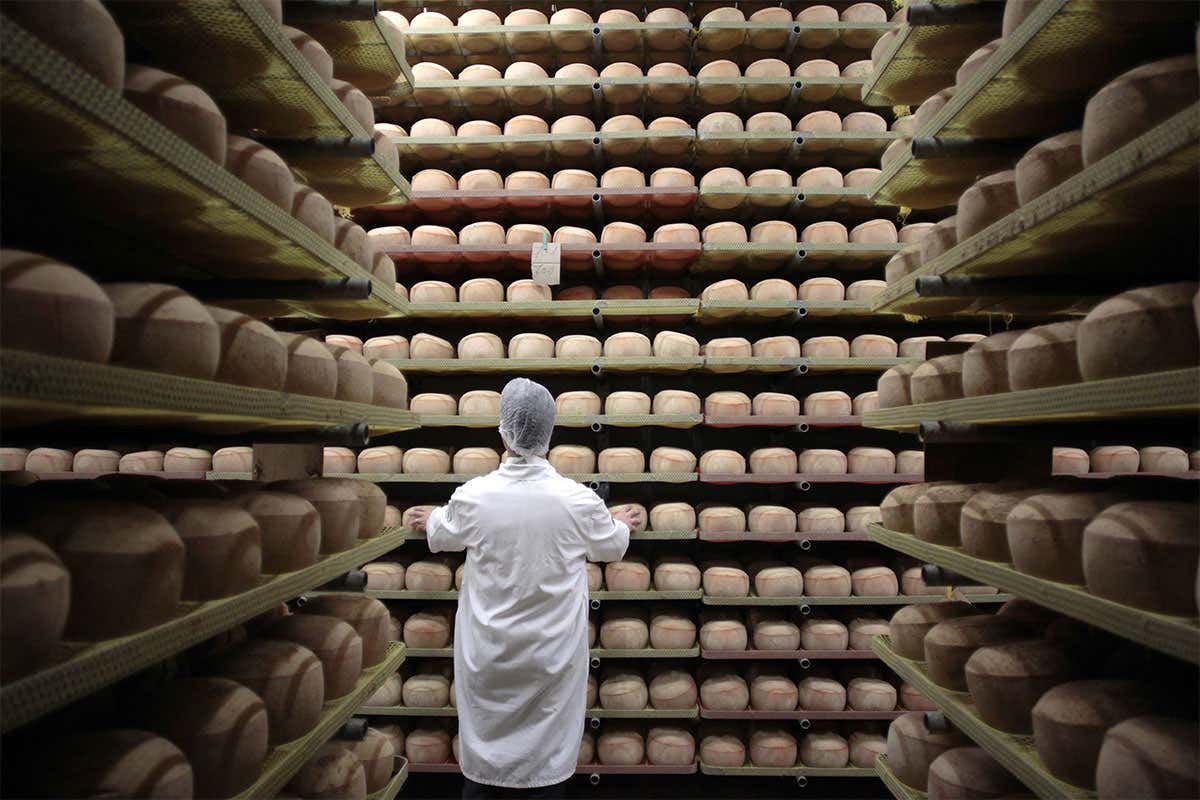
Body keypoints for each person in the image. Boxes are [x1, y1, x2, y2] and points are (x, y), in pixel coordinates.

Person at [407, 377, 641, 799]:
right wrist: (620, 523)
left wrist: (432, 519)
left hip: (490, 655)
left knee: (486, 759)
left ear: (503, 431)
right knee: (544, 761)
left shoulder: (475, 497)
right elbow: (611, 545)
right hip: (550, 658)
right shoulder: (576, 501)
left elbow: (443, 533)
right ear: (549, 433)